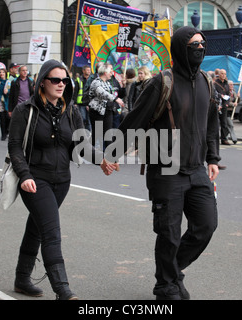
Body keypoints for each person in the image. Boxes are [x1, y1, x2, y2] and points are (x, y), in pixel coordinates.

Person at [113, 26, 220, 300]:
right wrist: (111, 152)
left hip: (196, 170)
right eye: (193, 45)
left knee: (206, 225)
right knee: (169, 234)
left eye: (202, 44)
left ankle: (170, 274)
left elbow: (211, 124)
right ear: (180, 49)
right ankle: (166, 287)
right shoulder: (162, 82)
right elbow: (135, 119)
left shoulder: (207, 82)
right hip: (166, 169)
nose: (199, 49)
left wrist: (213, 158)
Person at [8, 59, 118, 299]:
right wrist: (24, 175)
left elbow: (81, 143)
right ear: (42, 83)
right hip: (35, 180)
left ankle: (21, 279)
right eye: (55, 80)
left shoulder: (70, 111)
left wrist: (101, 160)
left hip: (61, 181)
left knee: (37, 227)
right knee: (51, 231)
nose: (61, 84)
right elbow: (15, 146)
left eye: (64, 80)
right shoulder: (25, 110)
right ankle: (63, 290)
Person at [88, 63, 125, 150]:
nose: (111, 73)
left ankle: (111, 156)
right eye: (110, 72)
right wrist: (115, 98)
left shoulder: (108, 83)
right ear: (105, 72)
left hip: (108, 110)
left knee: (108, 133)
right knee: (96, 134)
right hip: (97, 111)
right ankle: (88, 151)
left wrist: (123, 86)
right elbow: (102, 93)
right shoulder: (96, 82)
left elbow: (114, 93)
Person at [214, 69, 231, 145]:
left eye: (224, 74)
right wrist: (221, 96)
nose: (223, 75)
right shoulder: (215, 84)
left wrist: (227, 103)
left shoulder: (227, 84)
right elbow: (214, 93)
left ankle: (224, 139)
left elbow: (228, 95)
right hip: (217, 105)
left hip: (224, 105)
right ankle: (215, 139)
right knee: (216, 123)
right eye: (222, 73)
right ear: (219, 74)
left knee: (224, 123)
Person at [73, 65, 92, 131]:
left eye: (89, 70)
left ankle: (89, 134)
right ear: (83, 71)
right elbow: (76, 92)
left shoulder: (92, 80)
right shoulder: (79, 80)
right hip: (81, 103)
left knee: (89, 120)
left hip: (89, 103)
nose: (89, 71)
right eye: (87, 70)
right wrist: (75, 102)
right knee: (83, 119)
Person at [226, 80, 239, 144]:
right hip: (226, 110)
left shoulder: (233, 92)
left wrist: (238, 97)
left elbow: (237, 101)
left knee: (227, 125)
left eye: (232, 84)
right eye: (230, 85)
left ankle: (225, 137)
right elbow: (226, 101)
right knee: (230, 125)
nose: (232, 86)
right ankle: (234, 138)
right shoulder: (226, 92)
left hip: (231, 111)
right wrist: (233, 104)